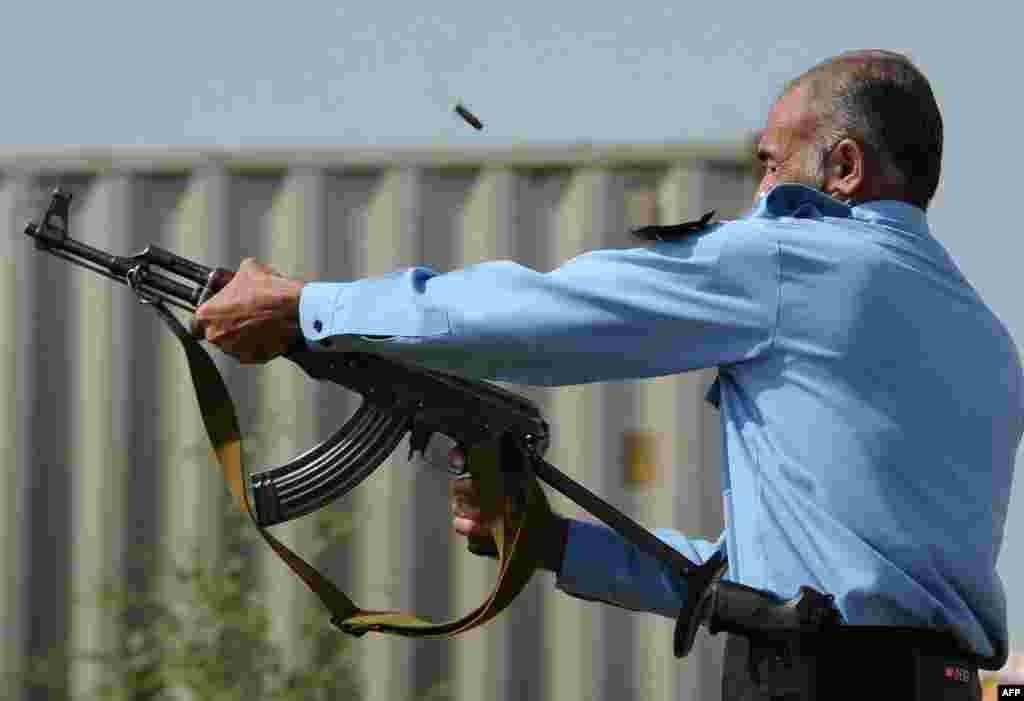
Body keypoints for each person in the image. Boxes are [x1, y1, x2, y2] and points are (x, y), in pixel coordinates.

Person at [190, 50, 1021, 699]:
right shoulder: (985, 339)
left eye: (771, 163)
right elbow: (777, 586)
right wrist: (552, 541)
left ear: (842, 168)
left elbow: (546, 315)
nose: (759, 189)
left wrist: (308, 307)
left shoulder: (796, 256)